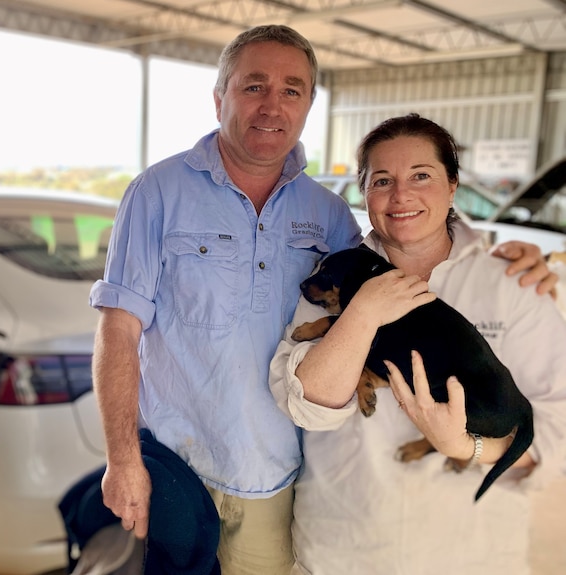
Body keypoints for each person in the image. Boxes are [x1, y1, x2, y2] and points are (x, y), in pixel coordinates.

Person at [89, 24, 557, 575]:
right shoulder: (157, 192)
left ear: (310, 104)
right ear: (220, 98)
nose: (272, 105)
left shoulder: (330, 219)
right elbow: (119, 330)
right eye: (253, 86)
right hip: (177, 463)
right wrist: (123, 459)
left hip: (274, 475)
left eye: (292, 90)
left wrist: (512, 252)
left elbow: (414, 238)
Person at [269, 113, 566, 575]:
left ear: (453, 186)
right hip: (342, 550)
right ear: (364, 194)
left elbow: (555, 438)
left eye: (421, 176)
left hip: (474, 557)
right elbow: (307, 406)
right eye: (382, 180)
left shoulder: (514, 285)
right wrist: (362, 311)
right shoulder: (337, 278)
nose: (401, 195)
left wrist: (467, 446)